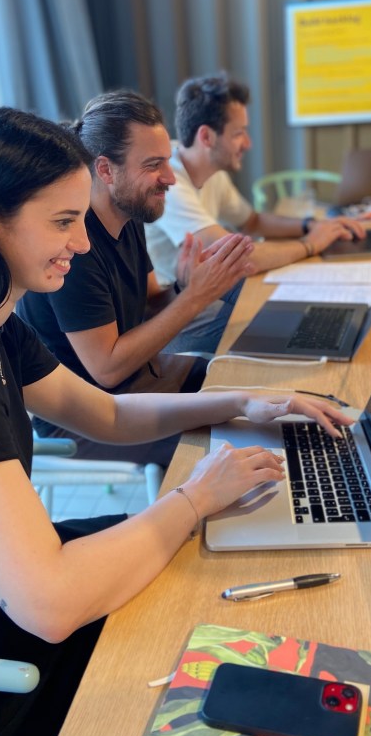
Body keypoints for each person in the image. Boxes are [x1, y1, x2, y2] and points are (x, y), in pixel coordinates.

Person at [0, 107, 351, 736]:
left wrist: (243, 401)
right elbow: (49, 603)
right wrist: (192, 498)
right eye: (63, 222)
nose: (79, 242)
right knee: (198, 613)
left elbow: (103, 414)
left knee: (202, 564)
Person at [18, 90, 254, 465]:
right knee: (233, 439)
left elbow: (148, 304)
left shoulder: (128, 216)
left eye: (167, 162)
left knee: (246, 381)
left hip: (139, 381)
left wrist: (185, 288)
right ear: (106, 170)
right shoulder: (75, 248)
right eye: (153, 165)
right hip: (86, 417)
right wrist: (194, 298)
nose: (170, 178)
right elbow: (107, 369)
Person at [145, 73, 367, 292]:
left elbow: (252, 222)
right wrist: (310, 244)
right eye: (239, 133)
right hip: (174, 303)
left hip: (205, 293)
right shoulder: (168, 182)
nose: (248, 143)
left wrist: (311, 225)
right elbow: (238, 257)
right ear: (206, 137)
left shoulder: (213, 172)